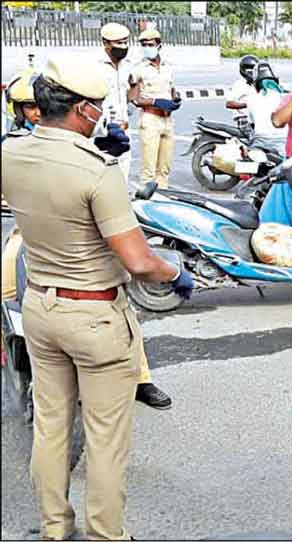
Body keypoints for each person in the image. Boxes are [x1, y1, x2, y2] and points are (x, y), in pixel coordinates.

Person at [1, 56, 194, 540]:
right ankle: (106, 536)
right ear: (83, 110)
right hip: (94, 314)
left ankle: (54, 529)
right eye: (98, 109)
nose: (101, 117)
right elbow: (139, 260)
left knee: (50, 426)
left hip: (40, 307)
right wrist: (177, 274)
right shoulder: (97, 170)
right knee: (106, 440)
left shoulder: (11, 154)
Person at [1, 70, 169, 411]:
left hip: (83, 230)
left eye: (38, 106)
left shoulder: (77, 141)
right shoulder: (11, 147)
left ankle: (141, 377)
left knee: (119, 300)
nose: (35, 113)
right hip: (26, 233)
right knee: (7, 290)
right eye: (27, 108)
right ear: (17, 111)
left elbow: (110, 151)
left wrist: (108, 140)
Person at [129, 28, 181, 188]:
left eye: (150, 44)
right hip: (150, 119)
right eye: (144, 45)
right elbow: (134, 98)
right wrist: (154, 101)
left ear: (159, 45)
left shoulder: (168, 67)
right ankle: (146, 204)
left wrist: (176, 100)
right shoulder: (138, 69)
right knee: (149, 171)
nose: (147, 47)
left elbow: (172, 91)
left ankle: (162, 200)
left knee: (164, 170)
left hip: (168, 120)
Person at [98, 22, 134, 182]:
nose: (124, 46)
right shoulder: (96, 65)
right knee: (104, 175)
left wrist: (131, 105)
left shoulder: (127, 66)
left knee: (123, 175)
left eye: (126, 42)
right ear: (106, 43)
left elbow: (133, 85)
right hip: (104, 131)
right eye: (119, 43)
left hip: (124, 128)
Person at [246, 61, 288, 156]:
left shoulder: (251, 99)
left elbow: (252, 123)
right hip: (282, 142)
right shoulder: (285, 97)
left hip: (259, 141)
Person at [226, 54, 259, 122]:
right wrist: (248, 104)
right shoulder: (238, 85)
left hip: (258, 119)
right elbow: (229, 104)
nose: (252, 73)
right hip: (244, 120)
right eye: (250, 71)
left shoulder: (260, 82)